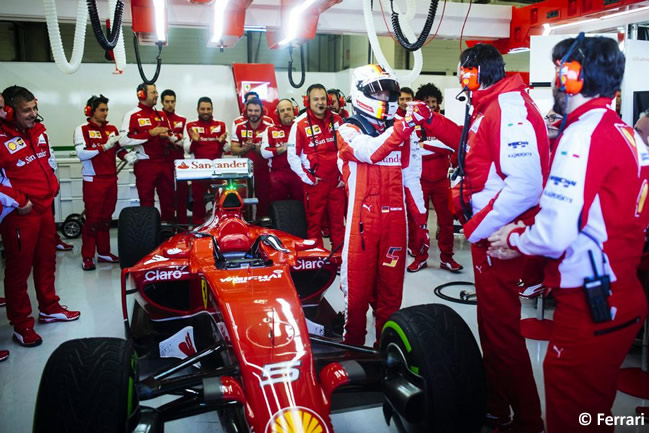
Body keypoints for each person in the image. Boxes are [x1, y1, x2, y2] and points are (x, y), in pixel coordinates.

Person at [488, 35, 649, 433]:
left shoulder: (582, 135)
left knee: (570, 419)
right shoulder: (627, 132)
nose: (557, 80)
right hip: (620, 298)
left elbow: (557, 233)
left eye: (561, 70)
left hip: (589, 305)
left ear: (573, 77)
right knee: (593, 413)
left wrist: (514, 240)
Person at [416, 44, 549, 432]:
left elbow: (526, 185)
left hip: (497, 237)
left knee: (503, 334)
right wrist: (431, 120)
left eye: (463, 74)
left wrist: (477, 227)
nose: (461, 81)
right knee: (492, 329)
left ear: (473, 73)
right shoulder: (489, 106)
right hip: (488, 233)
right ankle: (497, 404)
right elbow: (468, 144)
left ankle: (527, 419)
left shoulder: (508, 109)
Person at [337, 64, 425, 345]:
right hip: (361, 228)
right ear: (360, 93)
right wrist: (405, 126)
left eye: (389, 93)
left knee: (390, 297)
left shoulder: (403, 130)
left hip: (395, 226)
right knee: (357, 299)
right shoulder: (347, 129)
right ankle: (352, 352)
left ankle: (386, 351)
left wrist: (421, 221)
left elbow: (412, 179)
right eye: (379, 92)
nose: (385, 99)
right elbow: (370, 151)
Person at [0, 85, 80, 347]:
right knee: (18, 271)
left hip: (44, 209)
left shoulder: (39, 130)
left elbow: (48, 160)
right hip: (19, 214)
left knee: (47, 262)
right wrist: (19, 200)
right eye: (27, 110)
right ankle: (22, 324)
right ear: (10, 112)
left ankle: (49, 307)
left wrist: (53, 183)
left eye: (35, 107)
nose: (33, 114)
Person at [406, 83, 461, 273]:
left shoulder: (444, 123)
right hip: (420, 181)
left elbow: (451, 147)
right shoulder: (413, 125)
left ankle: (447, 258)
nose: (431, 105)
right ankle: (420, 257)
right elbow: (414, 151)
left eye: (434, 102)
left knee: (446, 222)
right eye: (427, 102)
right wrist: (435, 147)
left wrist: (426, 147)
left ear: (439, 104)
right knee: (419, 221)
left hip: (441, 181)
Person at [287, 84, 345, 249]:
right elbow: (292, 157)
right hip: (315, 183)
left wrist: (343, 176)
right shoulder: (299, 124)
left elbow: (346, 150)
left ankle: (338, 255)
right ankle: (316, 256)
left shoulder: (338, 120)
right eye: (315, 99)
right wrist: (309, 179)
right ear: (308, 101)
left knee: (338, 222)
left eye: (323, 99)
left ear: (328, 100)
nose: (320, 103)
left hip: (336, 182)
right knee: (314, 223)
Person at [74, 94, 125, 270]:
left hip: (111, 179)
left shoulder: (111, 128)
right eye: (101, 110)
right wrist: (104, 146)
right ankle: (87, 256)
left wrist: (130, 156)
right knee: (92, 220)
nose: (105, 113)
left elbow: (118, 151)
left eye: (106, 110)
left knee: (106, 219)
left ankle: (103, 253)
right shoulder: (82, 129)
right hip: (93, 181)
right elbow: (82, 154)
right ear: (90, 111)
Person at [119, 83, 176, 222]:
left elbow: (170, 135)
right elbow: (123, 140)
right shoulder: (132, 115)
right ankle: (149, 234)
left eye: (157, 92)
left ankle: (167, 234)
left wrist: (167, 137)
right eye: (154, 92)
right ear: (142, 95)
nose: (157, 95)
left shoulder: (161, 114)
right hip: (146, 164)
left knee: (169, 201)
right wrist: (149, 133)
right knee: (147, 203)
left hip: (165, 163)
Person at [185, 97, 228, 224]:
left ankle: (221, 225)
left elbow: (228, 147)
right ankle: (198, 227)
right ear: (197, 110)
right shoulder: (190, 126)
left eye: (208, 109)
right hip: (198, 170)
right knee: (198, 201)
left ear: (212, 110)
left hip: (217, 170)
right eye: (202, 109)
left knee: (221, 199)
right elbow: (186, 148)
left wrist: (222, 142)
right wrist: (195, 140)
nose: (205, 111)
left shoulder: (221, 125)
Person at [231, 98, 273, 218]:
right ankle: (245, 222)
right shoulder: (239, 127)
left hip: (264, 169)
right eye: (250, 110)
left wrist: (253, 147)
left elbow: (271, 151)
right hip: (244, 170)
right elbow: (234, 150)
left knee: (264, 199)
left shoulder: (269, 127)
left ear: (262, 111)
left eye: (256, 110)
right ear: (246, 111)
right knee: (243, 198)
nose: (253, 113)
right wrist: (246, 148)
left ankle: (262, 224)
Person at [261, 99, 303, 201]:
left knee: (302, 205)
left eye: (288, 109)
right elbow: (264, 152)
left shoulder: (301, 127)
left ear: (294, 111)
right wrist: (282, 149)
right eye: (282, 110)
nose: (286, 112)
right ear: (278, 114)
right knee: (278, 205)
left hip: (299, 173)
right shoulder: (271, 130)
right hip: (278, 174)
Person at [160, 89, 189, 224]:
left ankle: (183, 227)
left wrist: (172, 138)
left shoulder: (182, 120)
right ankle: (168, 229)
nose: (170, 104)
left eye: (172, 101)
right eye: (167, 102)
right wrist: (176, 139)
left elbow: (185, 141)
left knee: (182, 196)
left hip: (179, 163)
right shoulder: (156, 119)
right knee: (166, 196)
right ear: (162, 102)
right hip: (162, 162)